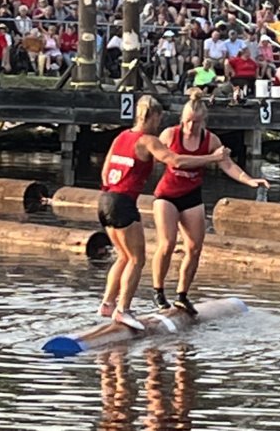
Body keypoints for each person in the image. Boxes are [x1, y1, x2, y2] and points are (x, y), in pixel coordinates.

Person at [98, 95, 229, 330]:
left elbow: (106, 170)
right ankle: (123, 310)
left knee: (123, 256)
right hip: (123, 202)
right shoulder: (147, 140)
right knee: (137, 260)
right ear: (154, 116)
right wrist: (213, 158)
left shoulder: (121, 136)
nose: (160, 124)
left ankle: (107, 303)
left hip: (105, 200)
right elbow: (176, 161)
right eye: (159, 118)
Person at [151, 89, 270, 315]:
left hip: (192, 196)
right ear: (181, 120)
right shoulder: (170, 135)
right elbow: (172, 161)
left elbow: (227, 164)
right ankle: (158, 292)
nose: (190, 127)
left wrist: (249, 180)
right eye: (187, 122)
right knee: (167, 243)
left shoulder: (210, 140)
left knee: (194, 248)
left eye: (195, 123)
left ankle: (182, 295)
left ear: (203, 122)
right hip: (166, 195)